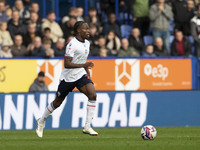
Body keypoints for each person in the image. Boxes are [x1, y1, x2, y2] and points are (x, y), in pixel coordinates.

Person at [36, 21, 98, 138]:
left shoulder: (87, 43)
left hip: (80, 75)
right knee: (57, 102)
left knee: (93, 95)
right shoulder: (72, 44)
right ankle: (41, 120)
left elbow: (82, 61)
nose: (89, 31)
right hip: (68, 78)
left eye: (89, 28)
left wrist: (87, 71)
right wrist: (84, 65)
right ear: (79, 30)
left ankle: (87, 126)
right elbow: (67, 64)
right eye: (86, 29)